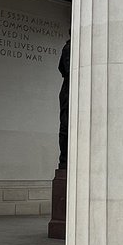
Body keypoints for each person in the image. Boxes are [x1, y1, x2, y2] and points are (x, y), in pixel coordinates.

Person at [57, 39, 70, 169]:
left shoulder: (67, 47)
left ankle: (65, 159)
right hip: (69, 89)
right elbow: (64, 69)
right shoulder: (69, 47)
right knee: (65, 126)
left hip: (68, 88)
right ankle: (64, 159)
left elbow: (61, 67)